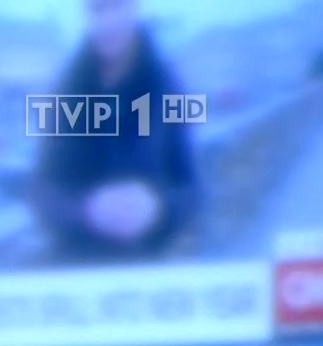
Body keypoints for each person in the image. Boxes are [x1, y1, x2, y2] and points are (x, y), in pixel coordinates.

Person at [31, 0, 199, 262]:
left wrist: (157, 209)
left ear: (135, 8)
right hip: (78, 269)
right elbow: (43, 193)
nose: (108, 21)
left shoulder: (170, 90)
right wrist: (86, 211)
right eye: (98, 9)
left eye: (117, 6)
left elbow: (192, 190)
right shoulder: (64, 94)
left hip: (148, 266)